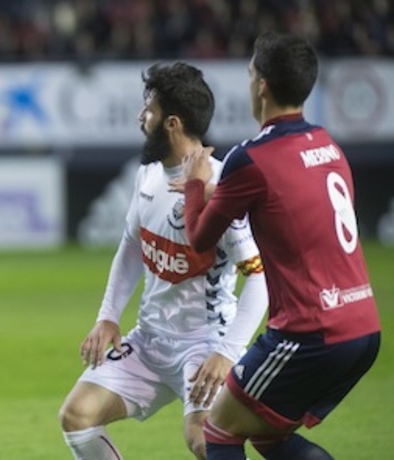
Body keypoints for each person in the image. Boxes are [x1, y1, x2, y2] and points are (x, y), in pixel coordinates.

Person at [181, 32, 381, 460]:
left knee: (217, 431)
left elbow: (199, 240)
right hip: (363, 326)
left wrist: (195, 184)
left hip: (311, 333)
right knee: (269, 436)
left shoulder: (251, 158)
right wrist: (221, 191)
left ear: (262, 85)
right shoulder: (329, 145)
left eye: (252, 72)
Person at [58, 62, 269, 460]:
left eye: (149, 110)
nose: (141, 117)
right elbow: (132, 247)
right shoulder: (148, 175)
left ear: (171, 123)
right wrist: (108, 316)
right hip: (150, 340)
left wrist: (228, 351)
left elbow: (258, 278)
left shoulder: (220, 187)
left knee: (203, 439)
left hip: (205, 345)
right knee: (76, 415)